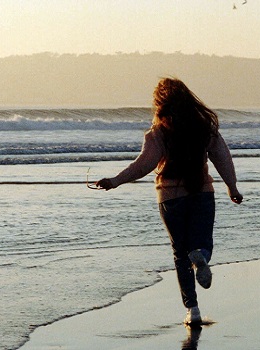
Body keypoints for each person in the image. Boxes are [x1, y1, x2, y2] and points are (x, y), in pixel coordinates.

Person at [95, 77, 243, 325]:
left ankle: (193, 310)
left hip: (170, 198)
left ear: (160, 103)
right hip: (202, 193)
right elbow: (222, 158)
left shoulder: (158, 133)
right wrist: (232, 186)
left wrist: (116, 180)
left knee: (179, 253)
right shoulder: (204, 127)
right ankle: (202, 256)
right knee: (202, 242)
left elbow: (144, 165)